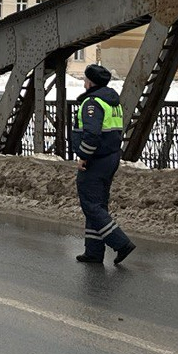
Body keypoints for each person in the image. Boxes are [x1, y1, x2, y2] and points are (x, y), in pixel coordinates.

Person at [70, 64, 135, 265]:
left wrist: (84, 157)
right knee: (98, 204)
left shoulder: (92, 103)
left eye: (85, 79)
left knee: (90, 204)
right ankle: (93, 251)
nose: (83, 83)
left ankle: (120, 242)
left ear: (90, 82)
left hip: (96, 160)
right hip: (110, 157)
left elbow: (92, 134)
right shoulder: (112, 102)